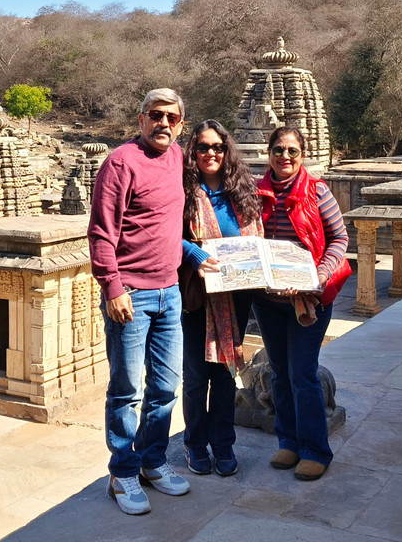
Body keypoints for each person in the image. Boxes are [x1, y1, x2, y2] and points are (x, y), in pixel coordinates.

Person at [88, 88, 191, 515]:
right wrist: (112, 287)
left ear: (180, 124)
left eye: (171, 118)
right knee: (127, 390)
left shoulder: (179, 157)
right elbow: (100, 231)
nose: (163, 124)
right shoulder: (120, 162)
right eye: (155, 116)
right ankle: (123, 473)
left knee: (165, 388)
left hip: (171, 291)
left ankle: (152, 462)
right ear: (140, 119)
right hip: (131, 293)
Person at [251, 126, 351, 481]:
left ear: (302, 155)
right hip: (268, 299)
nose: (285, 157)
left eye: (292, 151)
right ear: (269, 153)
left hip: (309, 299)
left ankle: (315, 451)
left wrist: (319, 276)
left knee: (302, 374)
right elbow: (246, 239)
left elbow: (339, 238)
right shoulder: (254, 193)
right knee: (278, 373)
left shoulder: (317, 191)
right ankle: (289, 441)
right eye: (278, 150)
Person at [179, 120, 262, 478]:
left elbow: (256, 236)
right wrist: (194, 255)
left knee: (227, 372)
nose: (210, 153)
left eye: (217, 147)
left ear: (227, 151)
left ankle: (224, 444)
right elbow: (165, 234)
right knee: (197, 376)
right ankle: (196, 445)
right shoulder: (182, 191)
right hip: (197, 295)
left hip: (236, 293)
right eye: (202, 147)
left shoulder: (241, 191)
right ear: (192, 152)